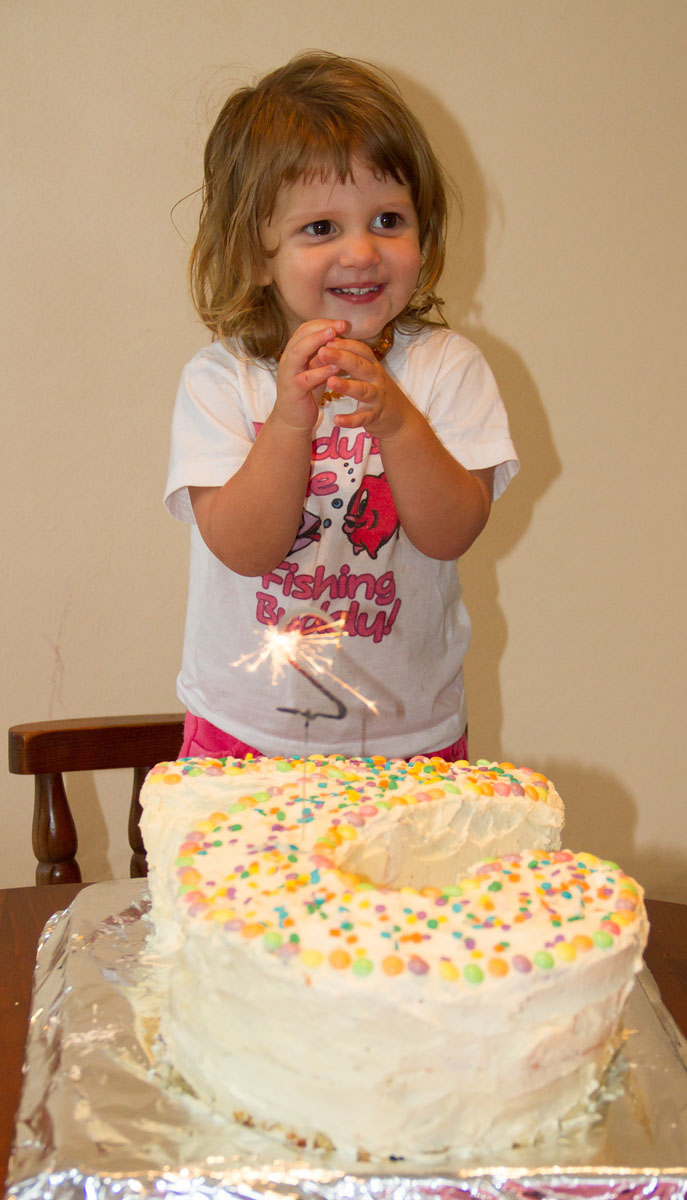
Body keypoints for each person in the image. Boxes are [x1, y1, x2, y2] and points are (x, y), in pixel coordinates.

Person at [166, 50, 518, 762]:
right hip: (248, 734)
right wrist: (291, 421)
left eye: (388, 219)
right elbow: (243, 547)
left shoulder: (447, 369)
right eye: (321, 228)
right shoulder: (221, 381)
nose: (362, 251)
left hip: (409, 737)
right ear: (254, 254)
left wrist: (396, 420)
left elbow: (453, 531)